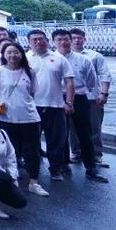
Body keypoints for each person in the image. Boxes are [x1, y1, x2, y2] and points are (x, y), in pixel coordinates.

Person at [0, 41, 48, 197]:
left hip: (29, 117)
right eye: (9, 52)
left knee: (32, 151)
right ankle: (12, 180)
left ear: (22, 54)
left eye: (16, 52)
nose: (13, 55)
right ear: (4, 55)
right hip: (7, 117)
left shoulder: (29, 72)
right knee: (9, 151)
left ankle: (34, 182)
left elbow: (32, 93)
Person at [52, 29, 107, 183]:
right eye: (59, 39)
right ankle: (64, 165)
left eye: (66, 39)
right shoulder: (50, 59)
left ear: (70, 41)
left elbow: (91, 82)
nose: (63, 42)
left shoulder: (83, 59)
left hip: (80, 98)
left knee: (85, 134)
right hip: (57, 99)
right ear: (53, 42)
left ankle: (90, 168)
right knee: (61, 134)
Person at [26, 30, 80, 182]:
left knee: (56, 141)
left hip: (55, 106)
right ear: (29, 42)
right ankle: (32, 172)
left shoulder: (59, 58)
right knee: (32, 141)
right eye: (34, 40)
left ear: (47, 41)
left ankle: (55, 169)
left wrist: (69, 102)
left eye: (41, 39)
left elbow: (69, 82)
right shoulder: (25, 59)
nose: (38, 42)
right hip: (32, 107)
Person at [70, 28, 111, 167]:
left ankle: (97, 155)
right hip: (73, 97)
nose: (76, 40)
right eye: (73, 38)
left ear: (84, 39)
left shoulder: (95, 56)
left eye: (79, 38)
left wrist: (104, 93)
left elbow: (105, 74)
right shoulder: (62, 56)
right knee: (73, 127)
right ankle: (76, 153)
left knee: (95, 126)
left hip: (93, 97)